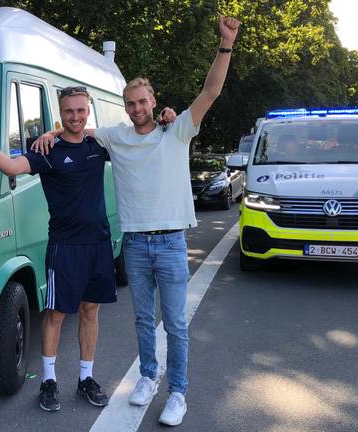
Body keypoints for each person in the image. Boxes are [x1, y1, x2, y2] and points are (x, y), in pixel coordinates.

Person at [33, 16, 240, 426]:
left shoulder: (177, 130)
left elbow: (211, 91)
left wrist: (226, 44)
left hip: (170, 243)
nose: (137, 108)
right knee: (143, 319)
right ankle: (148, 377)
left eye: (143, 101)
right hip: (135, 246)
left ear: (153, 102)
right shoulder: (116, 137)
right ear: (125, 109)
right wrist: (54, 132)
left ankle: (177, 392)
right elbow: (78, 128)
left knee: (176, 324)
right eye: (130, 104)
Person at [0, 87, 118, 413]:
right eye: (69, 111)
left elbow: (136, 137)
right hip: (65, 247)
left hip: (99, 244)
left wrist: (165, 119)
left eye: (80, 110)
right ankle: (48, 381)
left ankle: (85, 378)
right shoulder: (48, 149)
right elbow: (10, 166)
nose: (75, 116)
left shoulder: (97, 146)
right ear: (60, 112)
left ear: (88, 111)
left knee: (90, 311)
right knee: (56, 314)